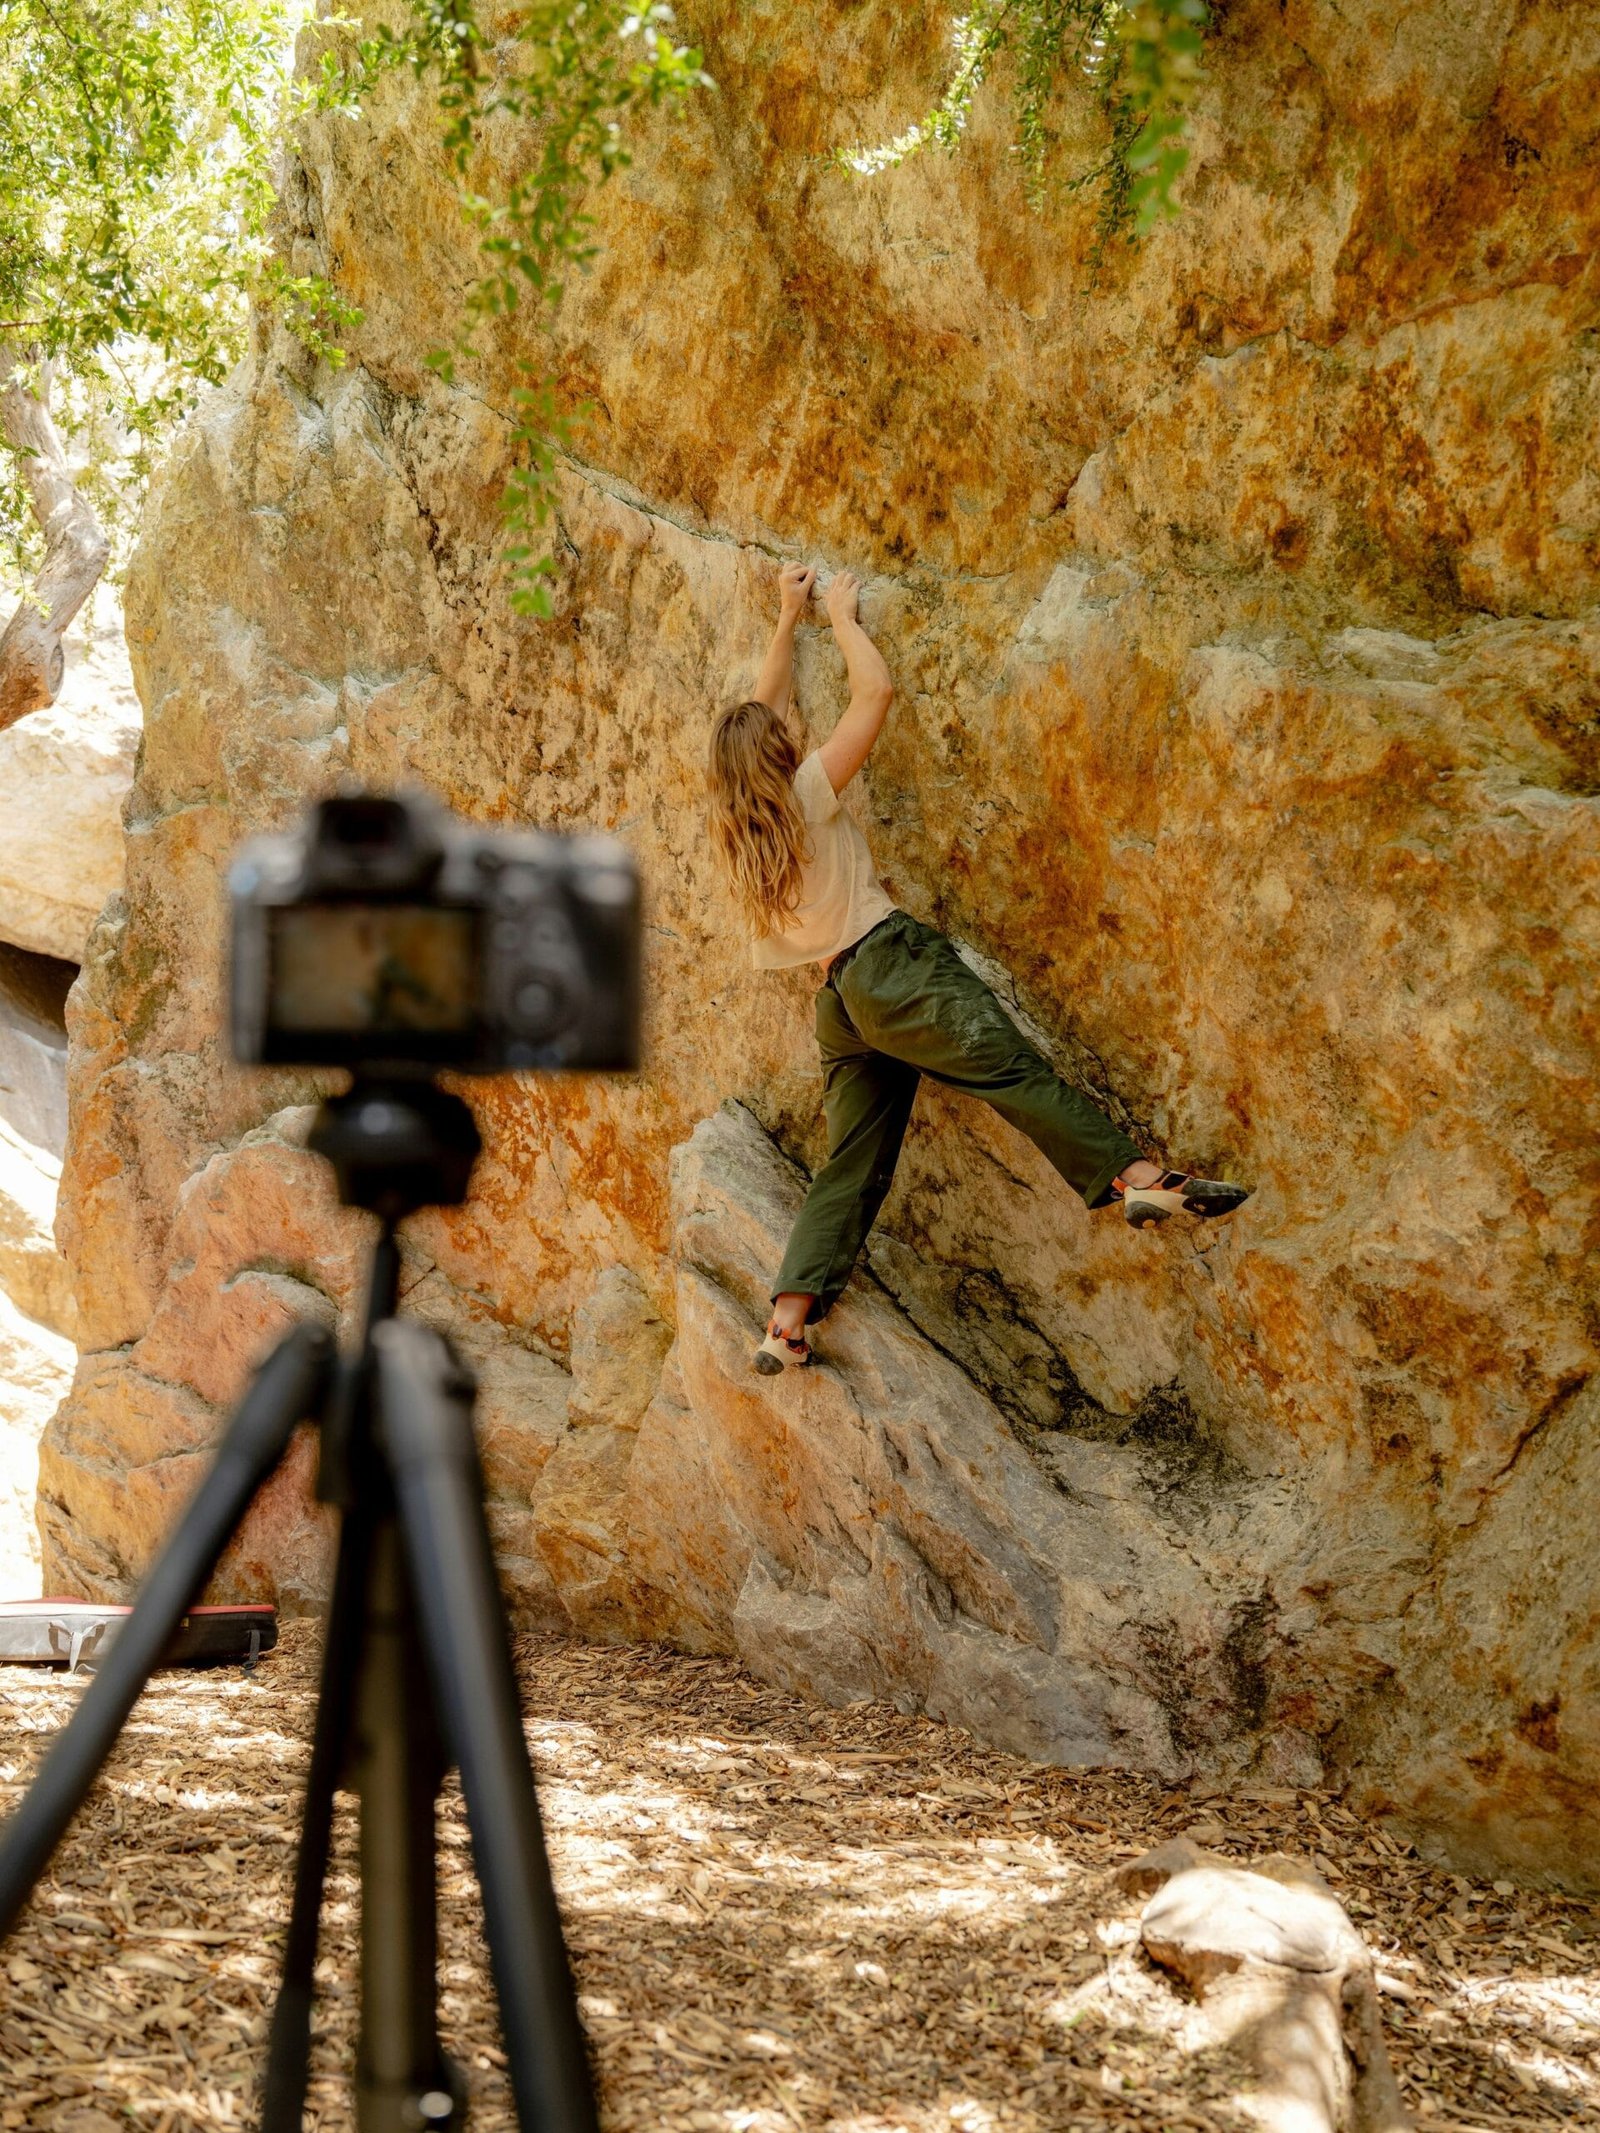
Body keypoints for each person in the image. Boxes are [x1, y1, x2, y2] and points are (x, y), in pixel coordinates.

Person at [707, 561, 1249, 1375]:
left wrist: (788, 619)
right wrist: (845, 620)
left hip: (841, 1004)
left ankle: (786, 1320)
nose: (789, 731)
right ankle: (1135, 1176)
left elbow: (765, 705)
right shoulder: (807, 792)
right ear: (778, 757)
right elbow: (874, 699)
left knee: (848, 1163)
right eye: (781, 736)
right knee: (1012, 1071)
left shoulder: (745, 833)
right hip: (891, 969)